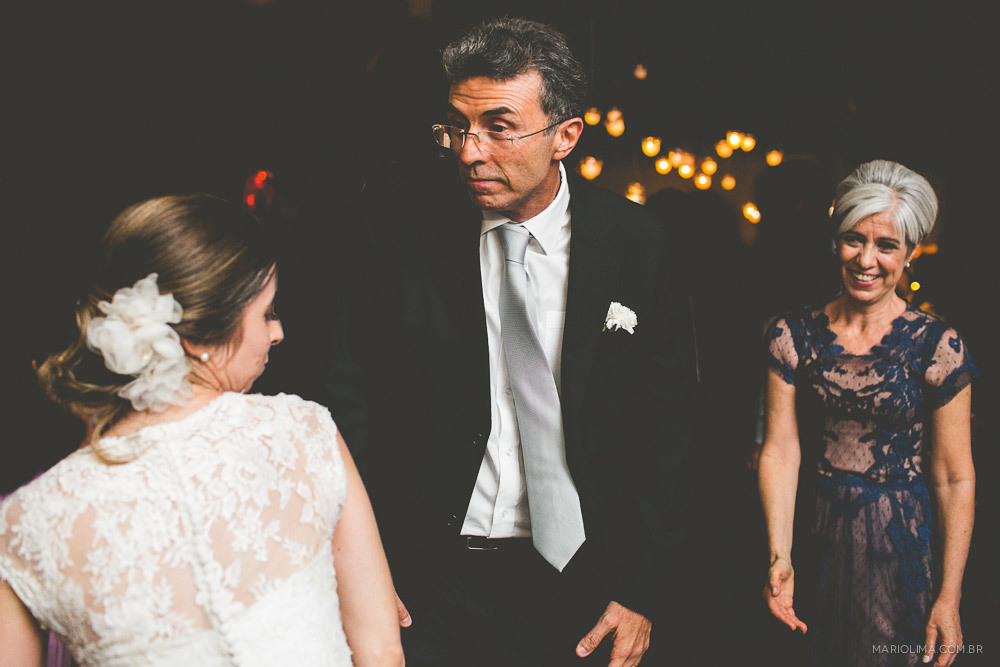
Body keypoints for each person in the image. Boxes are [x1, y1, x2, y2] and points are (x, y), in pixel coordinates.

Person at [325, 17, 697, 667]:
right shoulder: (399, 228)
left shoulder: (635, 246)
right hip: (425, 580)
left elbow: (667, 428)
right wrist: (365, 559)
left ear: (566, 136)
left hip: (581, 586)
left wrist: (639, 588)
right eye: (457, 127)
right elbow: (349, 392)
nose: (470, 150)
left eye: (498, 127)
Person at [0, 195, 403, 666]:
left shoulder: (24, 526)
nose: (278, 334)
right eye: (267, 313)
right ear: (193, 337)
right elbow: (380, 650)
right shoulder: (304, 433)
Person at [758, 160, 978, 667]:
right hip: (816, 537)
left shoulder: (936, 346)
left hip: (898, 545)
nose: (867, 259)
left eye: (887, 246)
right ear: (835, 239)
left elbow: (953, 477)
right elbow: (781, 450)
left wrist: (949, 596)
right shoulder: (792, 335)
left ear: (910, 255)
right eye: (854, 240)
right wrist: (779, 553)